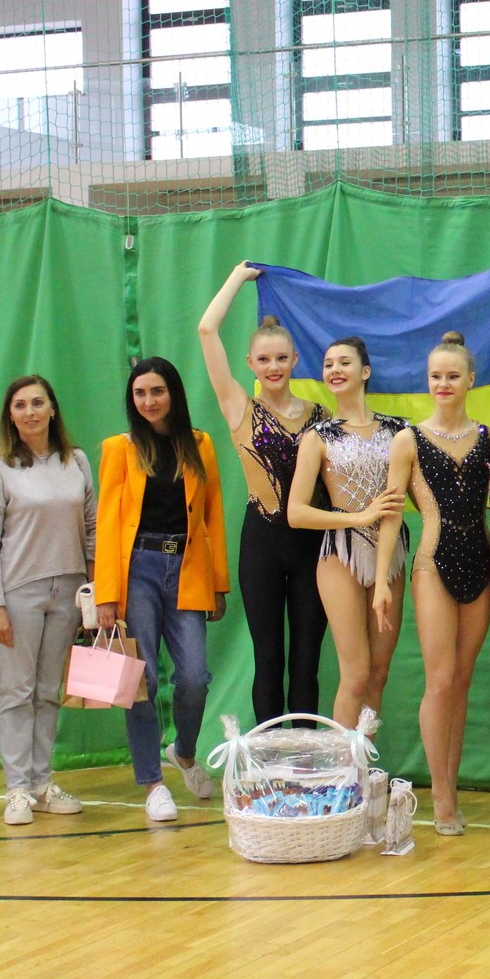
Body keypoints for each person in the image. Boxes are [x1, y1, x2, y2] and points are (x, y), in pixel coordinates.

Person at [94, 358, 229, 824]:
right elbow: (108, 524)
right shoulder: (119, 448)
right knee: (143, 677)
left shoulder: (199, 444)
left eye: (157, 391)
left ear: (173, 393)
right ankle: (153, 783)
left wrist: (218, 583)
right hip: (138, 568)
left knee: (194, 676)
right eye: (140, 393)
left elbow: (212, 514)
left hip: (187, 567)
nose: (148, 401)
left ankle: (183, 752)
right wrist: (106, 594)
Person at [197, 262, 329, 724]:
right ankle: (270, 757)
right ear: (250, 364)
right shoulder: (239, 407)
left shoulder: (321, 415)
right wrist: (236, 277)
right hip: (262, 543)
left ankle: (306, 755)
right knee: (268, 657)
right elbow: (207, 330)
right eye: (264, 359)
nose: (273, 367)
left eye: (281, 358)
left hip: (313, 545)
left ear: (295, 361)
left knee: (307, 659)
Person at [0, 375, 96, 825]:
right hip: (18, 593)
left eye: (37, 403)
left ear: (52, 408)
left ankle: (42, 783)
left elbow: (92, 528)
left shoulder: (76, 461)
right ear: (10, 416)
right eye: (20, 405)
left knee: (48, 692)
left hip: (68, 592)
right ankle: (17, 790)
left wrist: (93, 591)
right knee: (16, 692)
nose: (29, 412)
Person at [286, 338, 409, 730]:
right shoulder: (318, 436)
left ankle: (363, 760)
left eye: (344, 363)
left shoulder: (400, 430)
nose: (335, 370)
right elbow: (296, 513)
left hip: (392, 551)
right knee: (355, 674)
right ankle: (343, 765)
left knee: (379, 673)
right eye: (328, 364)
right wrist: (359, 517)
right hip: (340, 553)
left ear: (365, 372)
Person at [406, 330, 490, 837]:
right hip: (432, 563)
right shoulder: (409, 439)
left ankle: (452, 786)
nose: (443, 383)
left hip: (481, 560)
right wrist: (383, 586)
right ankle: (441, 798)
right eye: (435, 376)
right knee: (440, 679)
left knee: (462, 679)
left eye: (452, 376)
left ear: (470, 380)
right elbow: (390, 510)